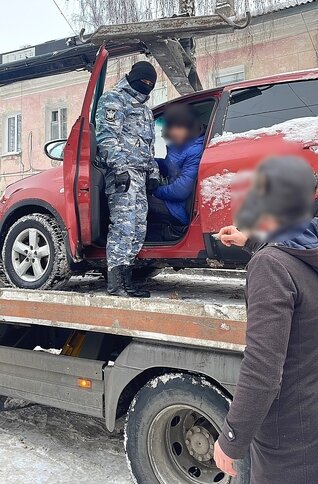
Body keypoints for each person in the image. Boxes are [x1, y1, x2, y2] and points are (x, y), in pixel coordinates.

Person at [214, 155, 318, 484]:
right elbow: (295, 252)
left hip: (288, 442)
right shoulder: (303, 253)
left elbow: (263, 369)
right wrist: (255, 242)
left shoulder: (271, 267)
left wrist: (232, 439)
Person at [95, 61, 159, 297]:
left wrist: (153, 172)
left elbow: (148, 145)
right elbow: (107, 138)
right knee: (123, 227)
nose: (147, 86)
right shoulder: (114, 99)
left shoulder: (145, 109)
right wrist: (120, 168)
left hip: (140, 175)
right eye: (144, 81)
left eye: (151, 84)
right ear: (133, 78)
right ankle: (115, 284)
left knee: (137, 229)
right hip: (123, 173)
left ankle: (127, 281)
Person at [148, 103, 204, 237]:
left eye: (177, 127)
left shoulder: (196, 150)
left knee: (136, 202)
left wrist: (155, 191)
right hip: (171, 200)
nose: (171, 132)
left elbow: (181, 191)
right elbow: (169, 165)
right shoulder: (183, 144)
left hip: (177, 208)